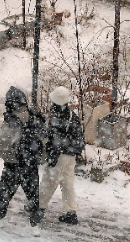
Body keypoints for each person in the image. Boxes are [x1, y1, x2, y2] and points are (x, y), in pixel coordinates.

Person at [0, 86, 45, 236]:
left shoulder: (9, 122)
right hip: (31, 165)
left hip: (13, 166)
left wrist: (13, 160)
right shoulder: (35, 118)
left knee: (5, 192)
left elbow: (3, 149)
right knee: (33, 195)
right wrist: (35, 159)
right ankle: (35, 225)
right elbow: (45, 143)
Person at [39, 86, 85, 225]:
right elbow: (79, 137)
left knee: (48, 182)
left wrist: (50, 153)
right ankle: (72, 212)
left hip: (58, 155)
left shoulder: (56, 116)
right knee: (67, 183)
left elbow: (52, 139)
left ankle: (38, 209)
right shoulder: (72, 116)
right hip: (70, 156)